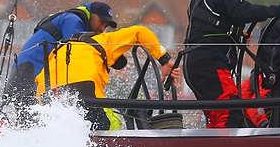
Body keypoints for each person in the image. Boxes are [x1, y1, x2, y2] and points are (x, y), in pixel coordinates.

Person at [184, 0, 280, 128]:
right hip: (211, 63)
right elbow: (243, 12)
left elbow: (206, 23)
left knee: (216, 114)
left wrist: (235, 33)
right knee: (230, 112)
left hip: (193, 63)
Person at [35, 24, 179, 130]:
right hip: (85, 92)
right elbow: (140, 31)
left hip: (47, 100)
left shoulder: (57, 51)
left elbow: (38, 82)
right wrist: (164, 60)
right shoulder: (103, 40)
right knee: (113, 123)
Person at [6, 1, 117, 115]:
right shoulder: (71, 19)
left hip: (31, 72)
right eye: (102, 22)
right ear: (91, 14)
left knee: (26, 115)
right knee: (23, 114)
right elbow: (79, 45)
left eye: (106, 26)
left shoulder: (70, 20)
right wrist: (109, 54)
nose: (103, 28)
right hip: (29, 70)